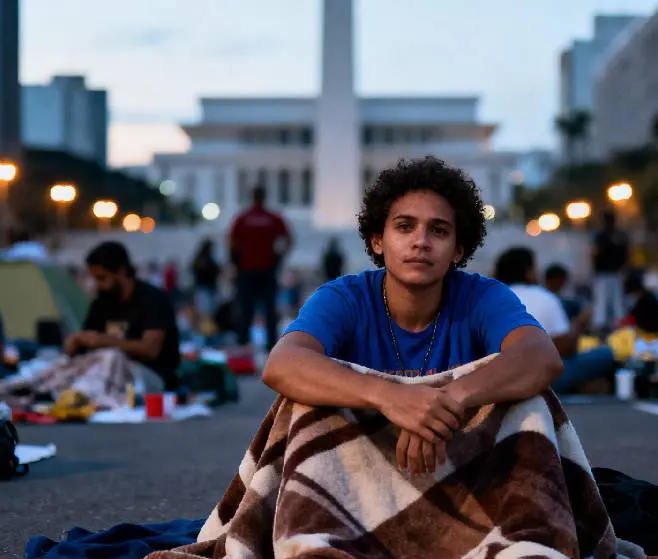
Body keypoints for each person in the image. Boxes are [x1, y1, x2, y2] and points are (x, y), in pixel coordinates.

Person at [263, 156, 563, 474]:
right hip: (357, 473)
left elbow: (542, 357)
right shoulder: (344, 297)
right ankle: (310, 524)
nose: (420, 242)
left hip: (461, 468)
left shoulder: (481, 296)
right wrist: (389, 397)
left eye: (439, 230)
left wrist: (444, 402)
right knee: (300, 401)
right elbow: (282, 364)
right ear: (377, 241)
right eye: (405, 227)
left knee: (532, 397)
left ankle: (526, 523)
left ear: (458, 251)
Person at [494, 248, 615, 394]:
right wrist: (579, 324)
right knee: (605, 354)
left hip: (499, 379)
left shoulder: (492, 298)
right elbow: (564, 349)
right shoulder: (544, 296)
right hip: (543, 378)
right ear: (528, 271)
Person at [66, 242, 181, 392]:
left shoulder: (152, 300)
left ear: (121, 271)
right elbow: (88, 343)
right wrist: (75, 343)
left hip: (151, 375)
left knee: (111, 360)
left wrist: (106, 342)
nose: (98, 285)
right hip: (104, 373)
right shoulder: (101, 303)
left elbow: (150, 349)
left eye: (102, 278)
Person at [229, 186, 292, 350]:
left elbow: (231, 242)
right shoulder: (273, 218)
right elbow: (289, 240)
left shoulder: (243, 218)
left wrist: (236, 261)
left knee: (245, 309)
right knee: (269, 309)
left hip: (247, 270)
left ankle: (243, 345)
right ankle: (271, 346)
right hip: (267, 270)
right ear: (264, 197)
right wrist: (278, 258)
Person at [591, 210, 629, 332]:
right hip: (617, 273)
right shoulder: (620, 235)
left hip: (603, 273)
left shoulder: (600, 235)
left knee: (601, 302)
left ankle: (600, 328)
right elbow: (627, 254)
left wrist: (593, 269)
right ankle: (620, 326)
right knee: (618, 302)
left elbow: (595, 253)